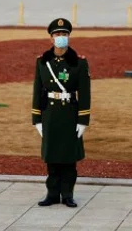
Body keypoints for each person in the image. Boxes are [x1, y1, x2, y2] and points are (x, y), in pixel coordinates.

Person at [31, 18, 91, 208]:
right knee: (52, 157)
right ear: (51, 38)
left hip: (70, 115)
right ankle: (52, 193)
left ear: (69, 37)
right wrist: (36, 118)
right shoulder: (42, 62)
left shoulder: (79, 63)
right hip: (50, 115)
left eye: (64, 34)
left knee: (68, 158)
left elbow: (85, 93)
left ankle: (67, 194)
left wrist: (83, 120)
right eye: (57, 34)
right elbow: (37, 90)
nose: (61, 37)